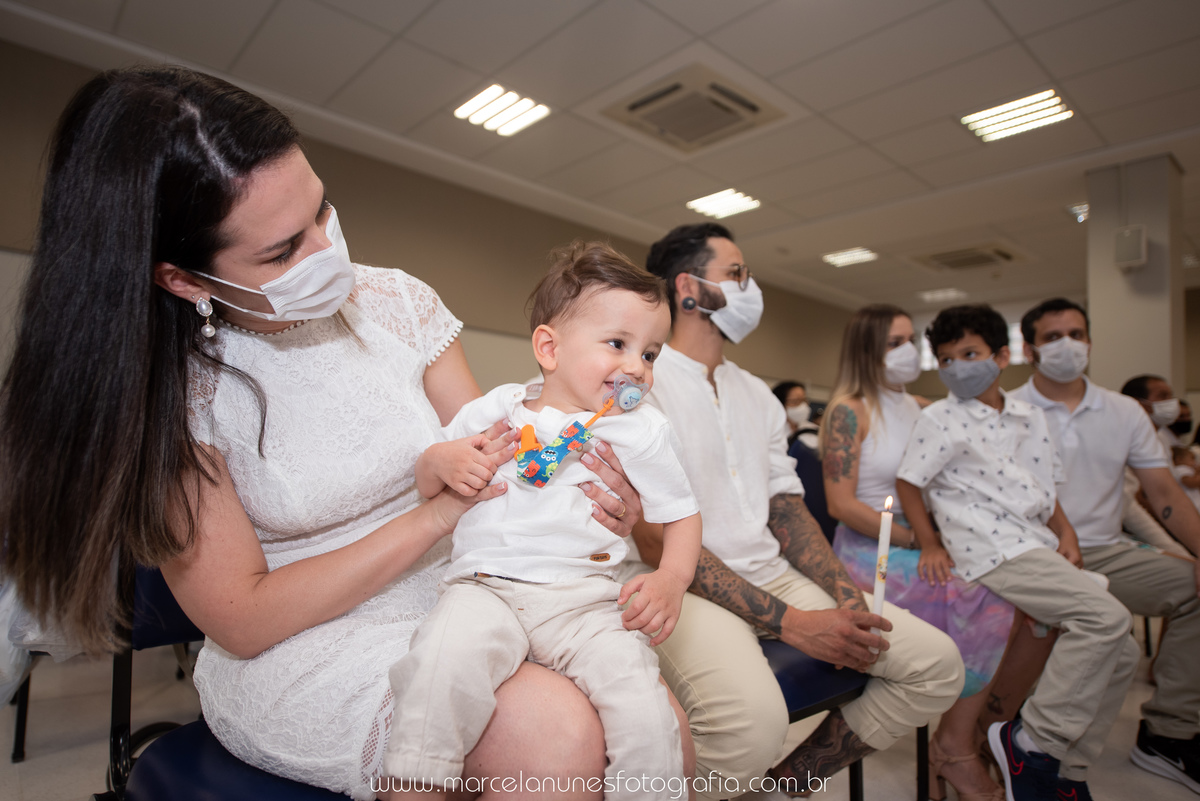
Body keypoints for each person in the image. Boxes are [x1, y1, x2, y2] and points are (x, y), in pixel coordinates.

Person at [0, 66, 650, 800]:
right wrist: (433, 514)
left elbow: (495, 460)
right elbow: (244, 616)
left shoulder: (399, 302)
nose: (325, 253)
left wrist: (584, 496)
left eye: (322, 212)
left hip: (461, 583)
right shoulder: (173, 396)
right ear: (184, 279)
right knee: (555, 737)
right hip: (300, 645)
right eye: (282, 252)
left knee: (647, 721)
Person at [623, 223, 963, 800]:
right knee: (751, 726)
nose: (750, 287)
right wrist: (793, 624)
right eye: (736, 275)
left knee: (937, 666)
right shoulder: (641, 385)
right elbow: (655, 541)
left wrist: (842, 589)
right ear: (688, 289)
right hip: (675, 584)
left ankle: (786, 784)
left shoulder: (757, 393)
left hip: (770, 571)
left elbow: (786, 509)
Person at [384, 243, 701, 800]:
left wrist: (672, 578)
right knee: (437, 666)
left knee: (644, 705)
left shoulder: (640, 429)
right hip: (486, 589)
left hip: (584, 602)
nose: (637, 368)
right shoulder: (499, 408)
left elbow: (683, 513)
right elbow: (429, 475)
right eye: (618, 345)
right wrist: (440, 461)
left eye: (650, 354)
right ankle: (413, 784)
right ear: (549, 348)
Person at [896, 303, 1138, 801]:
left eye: (969, 353)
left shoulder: (1030, 417)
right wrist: (931, 542)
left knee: (1123, 652)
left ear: (1002, 356)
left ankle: (1066, 773)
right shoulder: (939, 418)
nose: (957, 366)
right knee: (1107, 620)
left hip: (1035, 543)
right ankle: (1031, 745)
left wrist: (1066, 533)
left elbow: (1045, 488)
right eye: (945, 359)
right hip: (989, 549)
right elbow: (909, 482)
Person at [822, 304, 1021, 801]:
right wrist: (920, 540)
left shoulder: (922, 405)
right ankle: (956, 747)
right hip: (874, 550)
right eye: (894, 343)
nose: (908, 352)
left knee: (1012, 590)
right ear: (867, 349)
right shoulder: (849, 409)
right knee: (991, 599)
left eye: (911, 339)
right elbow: (840, 504)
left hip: (923, 540)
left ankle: (961, 738)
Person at [1010, 299, 1200, 795]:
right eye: (1053, 337)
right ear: (1029, 350)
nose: (1068, 344)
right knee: (1116, 641)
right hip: (1032, 553)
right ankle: (1046, 758)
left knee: (1196, 588)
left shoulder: (1123, 411)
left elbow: (1164, 493)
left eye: (1076, 333)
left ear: (1090, 342)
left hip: (1107, 549)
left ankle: (1168, 732)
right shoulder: (1007, 409)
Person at [772, 380, 817, 448]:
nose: (802, 406)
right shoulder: (773, 431)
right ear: (780, 404)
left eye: (804, 400)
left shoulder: (813, 429)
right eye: (795, 401)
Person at [1170, 447, 1200, 513]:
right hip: (1193, 505)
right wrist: (1198, 472)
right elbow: (1190, 482)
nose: (1195, 462)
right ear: (1179, 459)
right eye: (1192, 458)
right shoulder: (1181, 469)